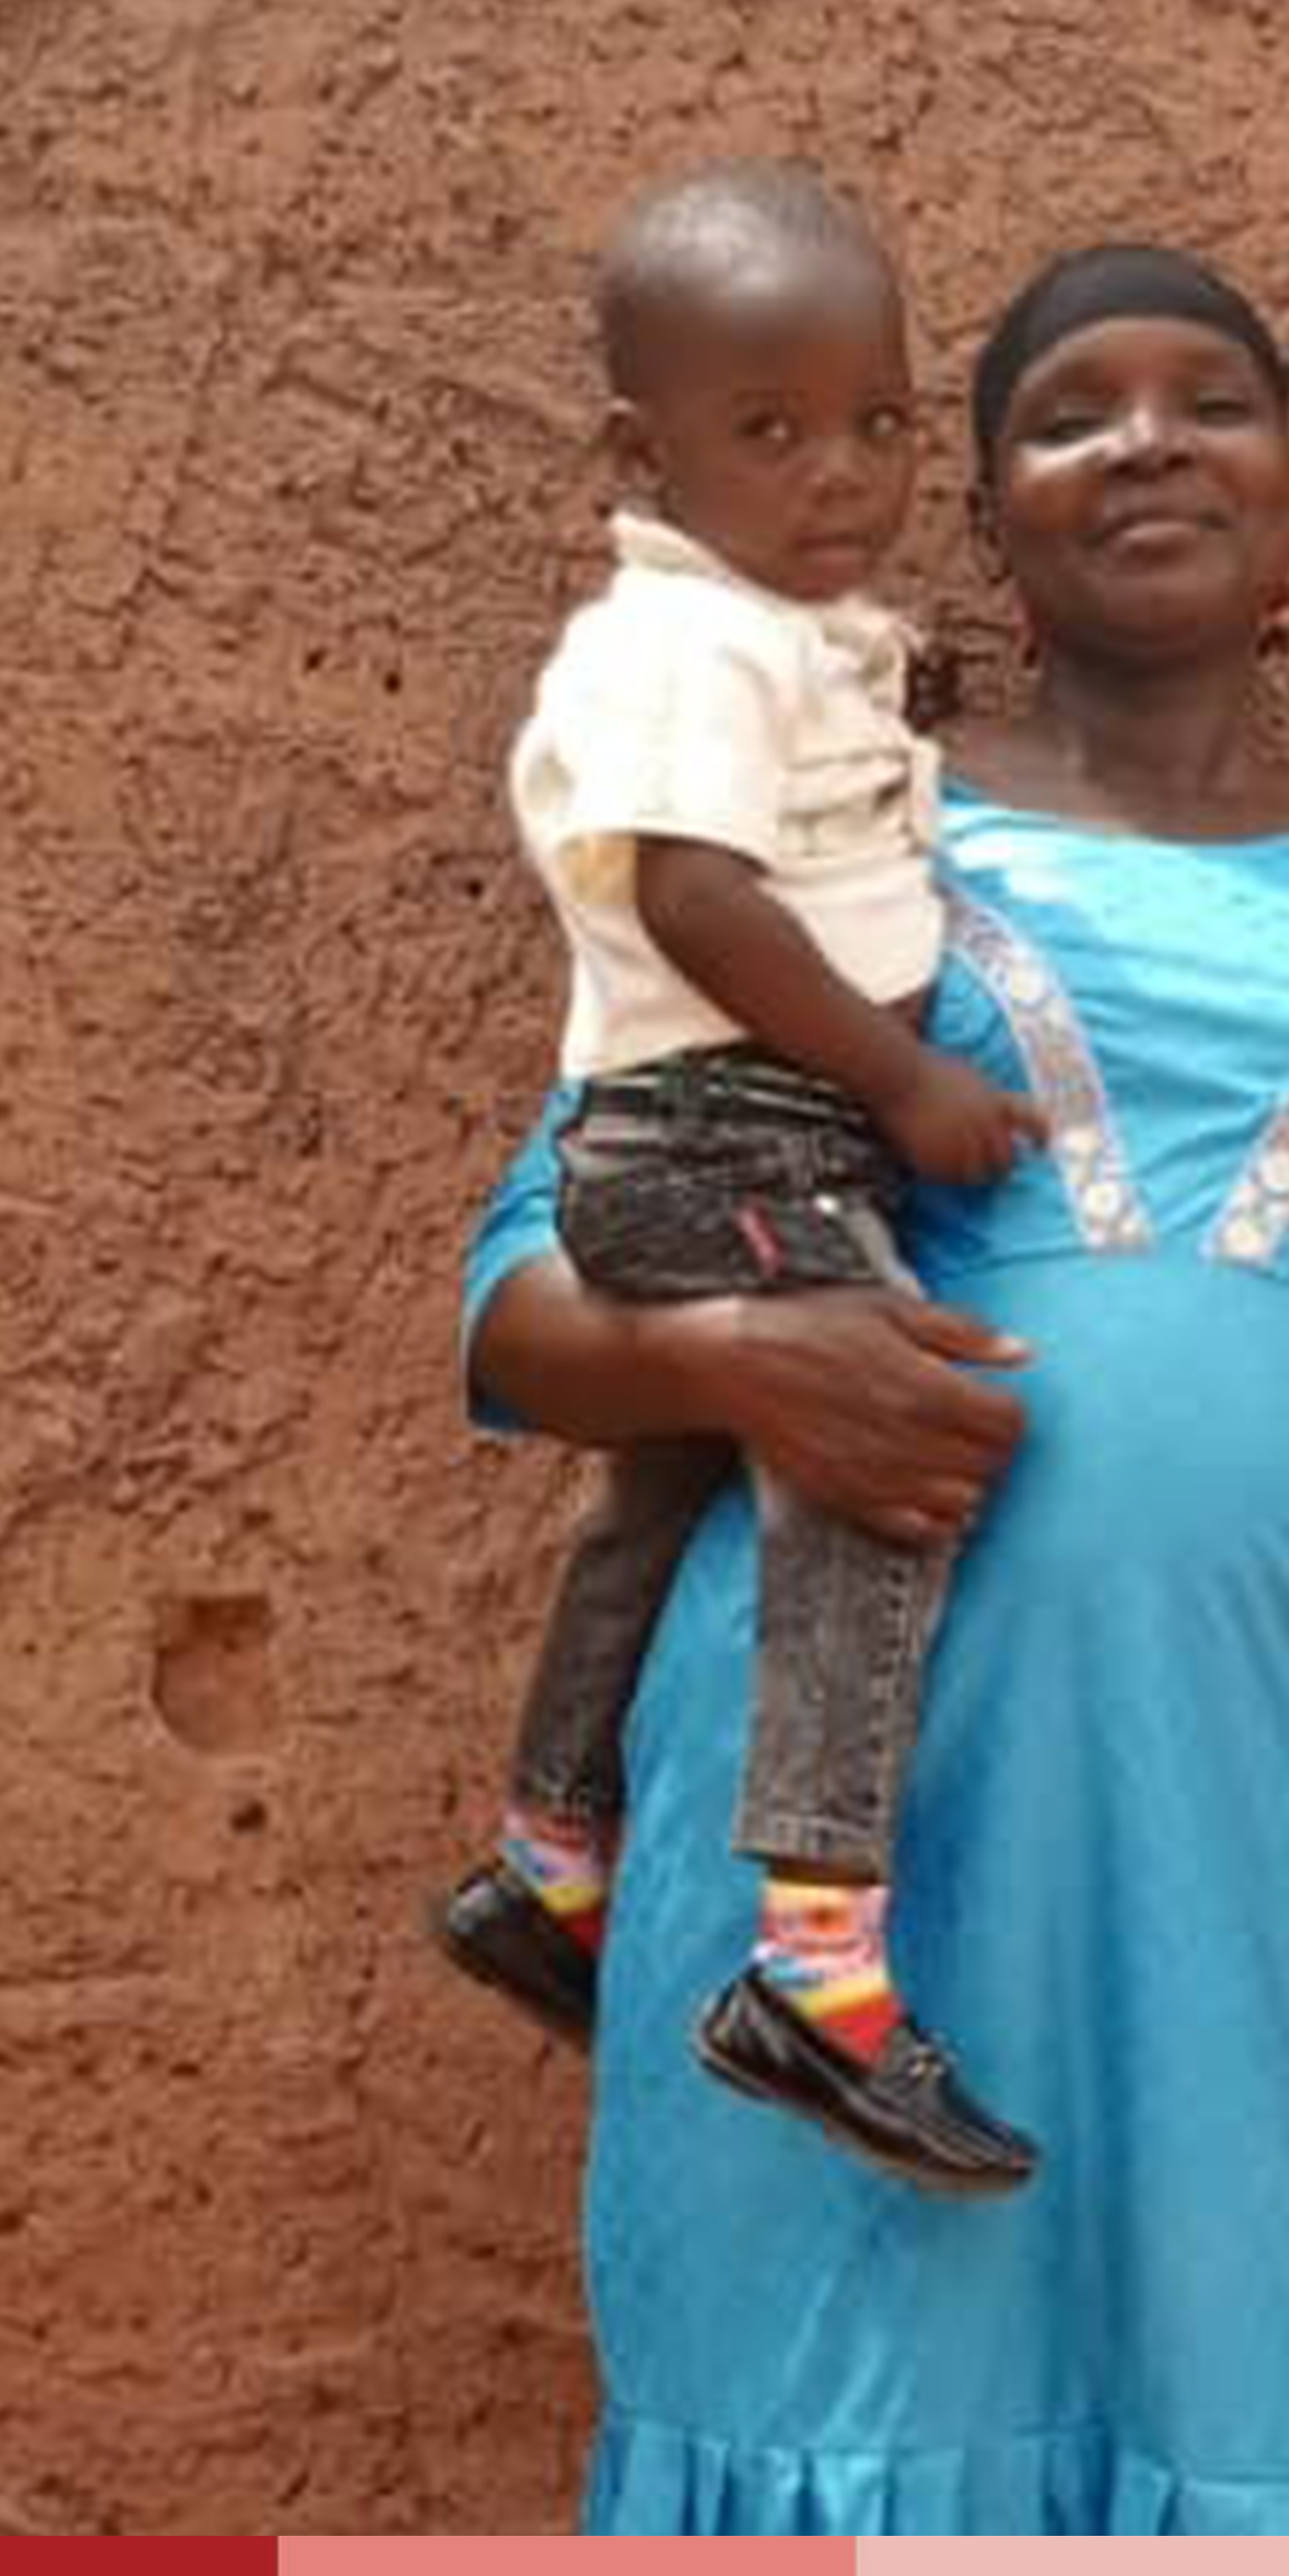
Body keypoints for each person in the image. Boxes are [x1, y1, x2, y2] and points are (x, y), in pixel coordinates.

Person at [455, 240, 1289, 2534]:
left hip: (1282, 1852)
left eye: (1211, 398)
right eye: (1065, 413)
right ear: (988, 524)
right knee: (835, 2434)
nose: (1146, 441)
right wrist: (746, 1365)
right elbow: (522, 1301)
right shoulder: (830, 857)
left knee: (1257, 2419)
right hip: (846, 1883)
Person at [436, 161, 1055, 2197]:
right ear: (642, 455)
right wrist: (903, 1077)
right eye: (769, 432)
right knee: (878, 1464)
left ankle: (548, 1859)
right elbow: (700, 894)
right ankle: (816, 1968)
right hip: (740, 1127)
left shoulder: (778, 635)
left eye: (879, 421)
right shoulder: (679, 645)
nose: (844, 474)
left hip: (709, 1135)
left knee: (667, 1486)